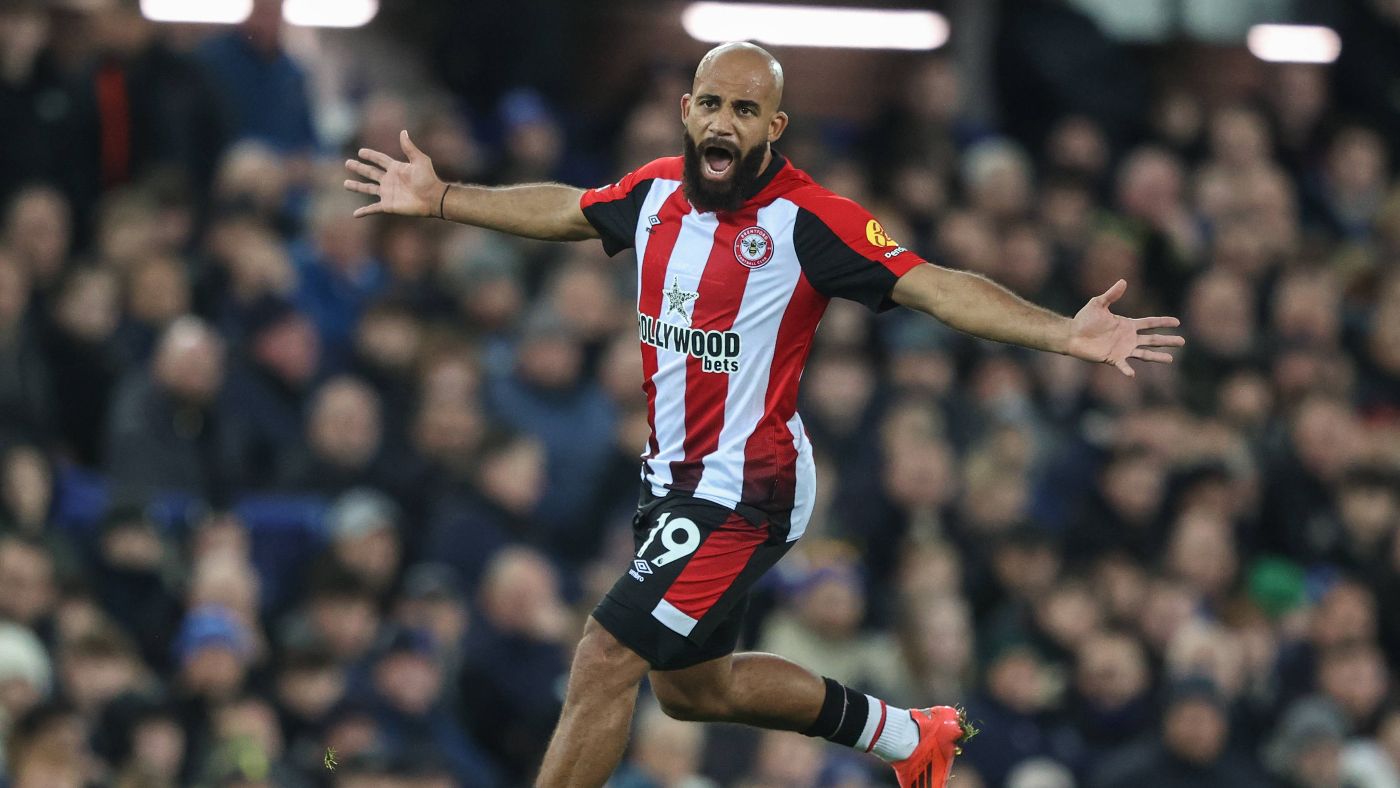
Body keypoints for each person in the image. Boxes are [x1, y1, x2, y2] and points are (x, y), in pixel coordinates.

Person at [344, 42, 1184, 788]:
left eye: (746, 110)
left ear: (774, 127)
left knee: (604, 655)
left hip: (749, 486)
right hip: (673, 482)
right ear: (687, 110)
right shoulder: (655, 191)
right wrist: (443, 196)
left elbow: (933, 286)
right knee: (691, 690)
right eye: (712, 103)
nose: (724, 121)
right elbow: (570, 209)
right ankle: (908, 736)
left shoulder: (809, 221)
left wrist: (1061, 333)